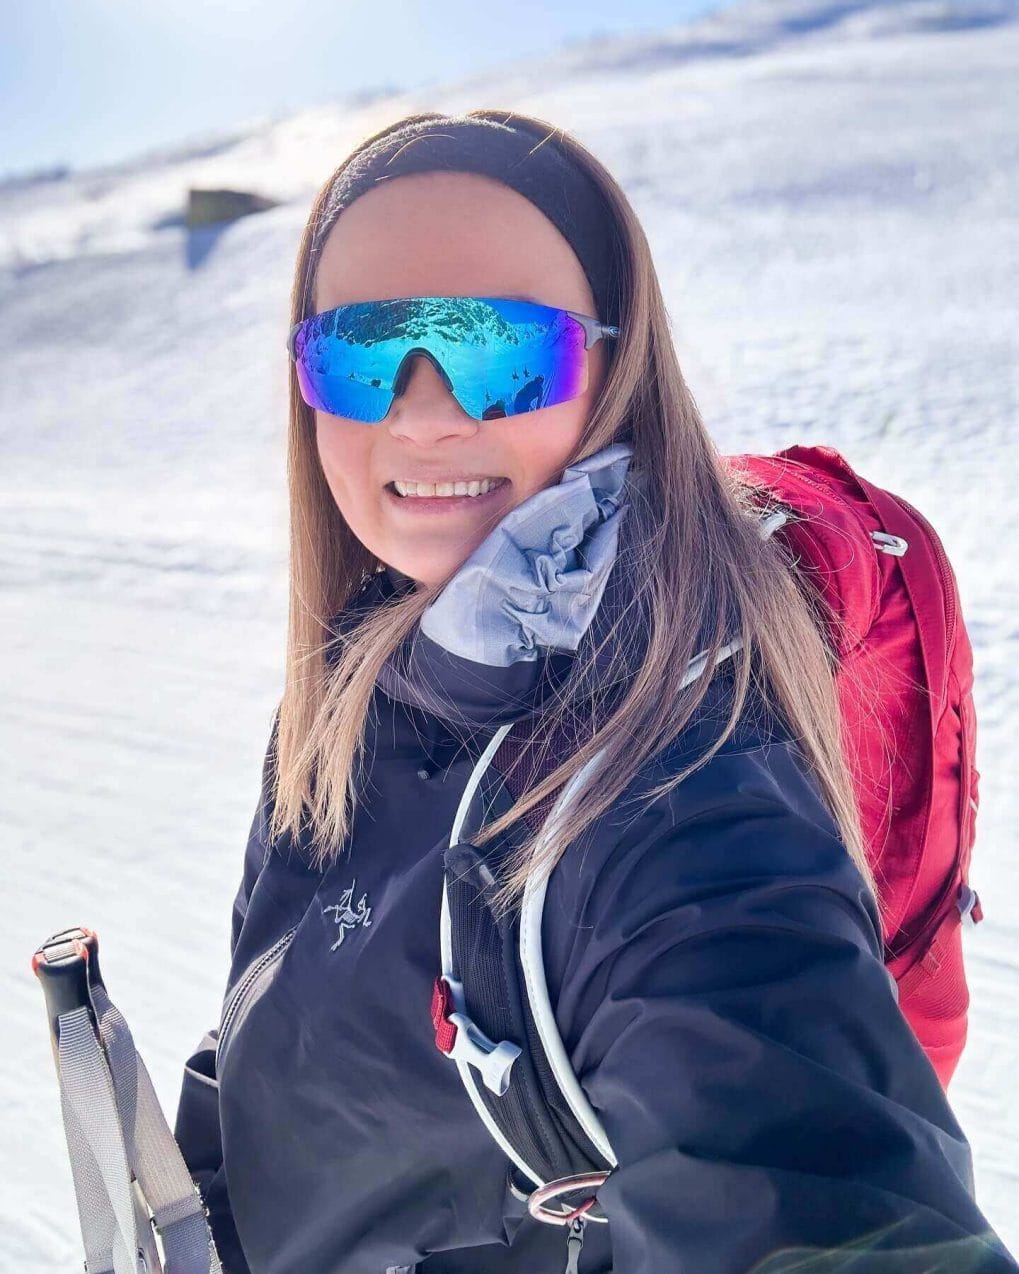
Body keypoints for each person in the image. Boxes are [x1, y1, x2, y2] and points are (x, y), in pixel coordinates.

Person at [174, 110, 1018, 1274]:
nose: (422, 414)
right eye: (362, 355)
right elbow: (281, 1008)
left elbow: (819, 1191)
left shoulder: (669, 791)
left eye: (499, 349)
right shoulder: (353, 672)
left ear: (615, 368)